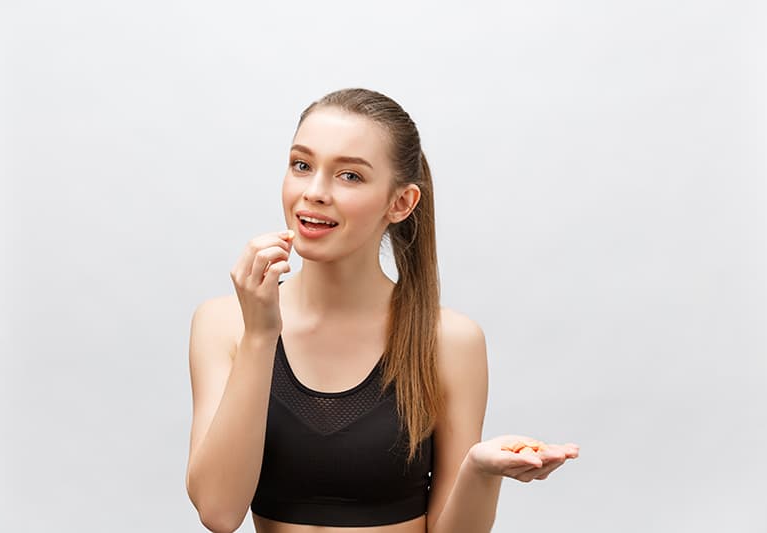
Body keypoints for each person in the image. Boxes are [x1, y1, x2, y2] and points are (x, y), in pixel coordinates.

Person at [185, 88, 579, 533]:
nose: (314, 192)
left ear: (401, 203)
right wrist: (260, 335)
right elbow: (218, 512)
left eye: (349, 176)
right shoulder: (223, 324)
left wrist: (480, 471)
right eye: (302, 165)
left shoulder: (448, 340)